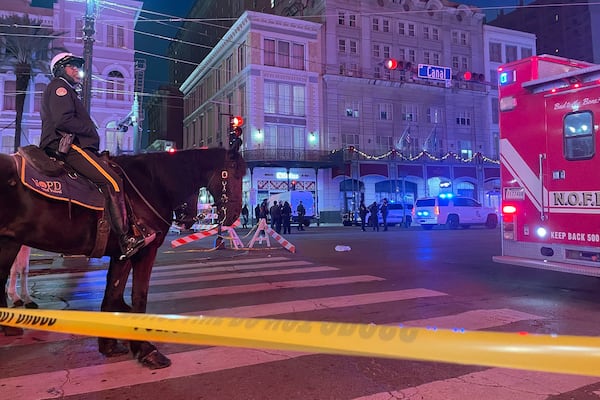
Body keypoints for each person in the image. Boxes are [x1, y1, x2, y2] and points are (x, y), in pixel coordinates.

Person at [39, 52, 153, 259]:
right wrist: (90, 129)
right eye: (71, 66)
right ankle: (125, 238)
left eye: (77, 67)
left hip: (72, 144)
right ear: (60, 70)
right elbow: (63, 121)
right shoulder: (60, 87)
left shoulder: (65, 89)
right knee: (113, 180)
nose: (76, 70)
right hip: (66, 146)